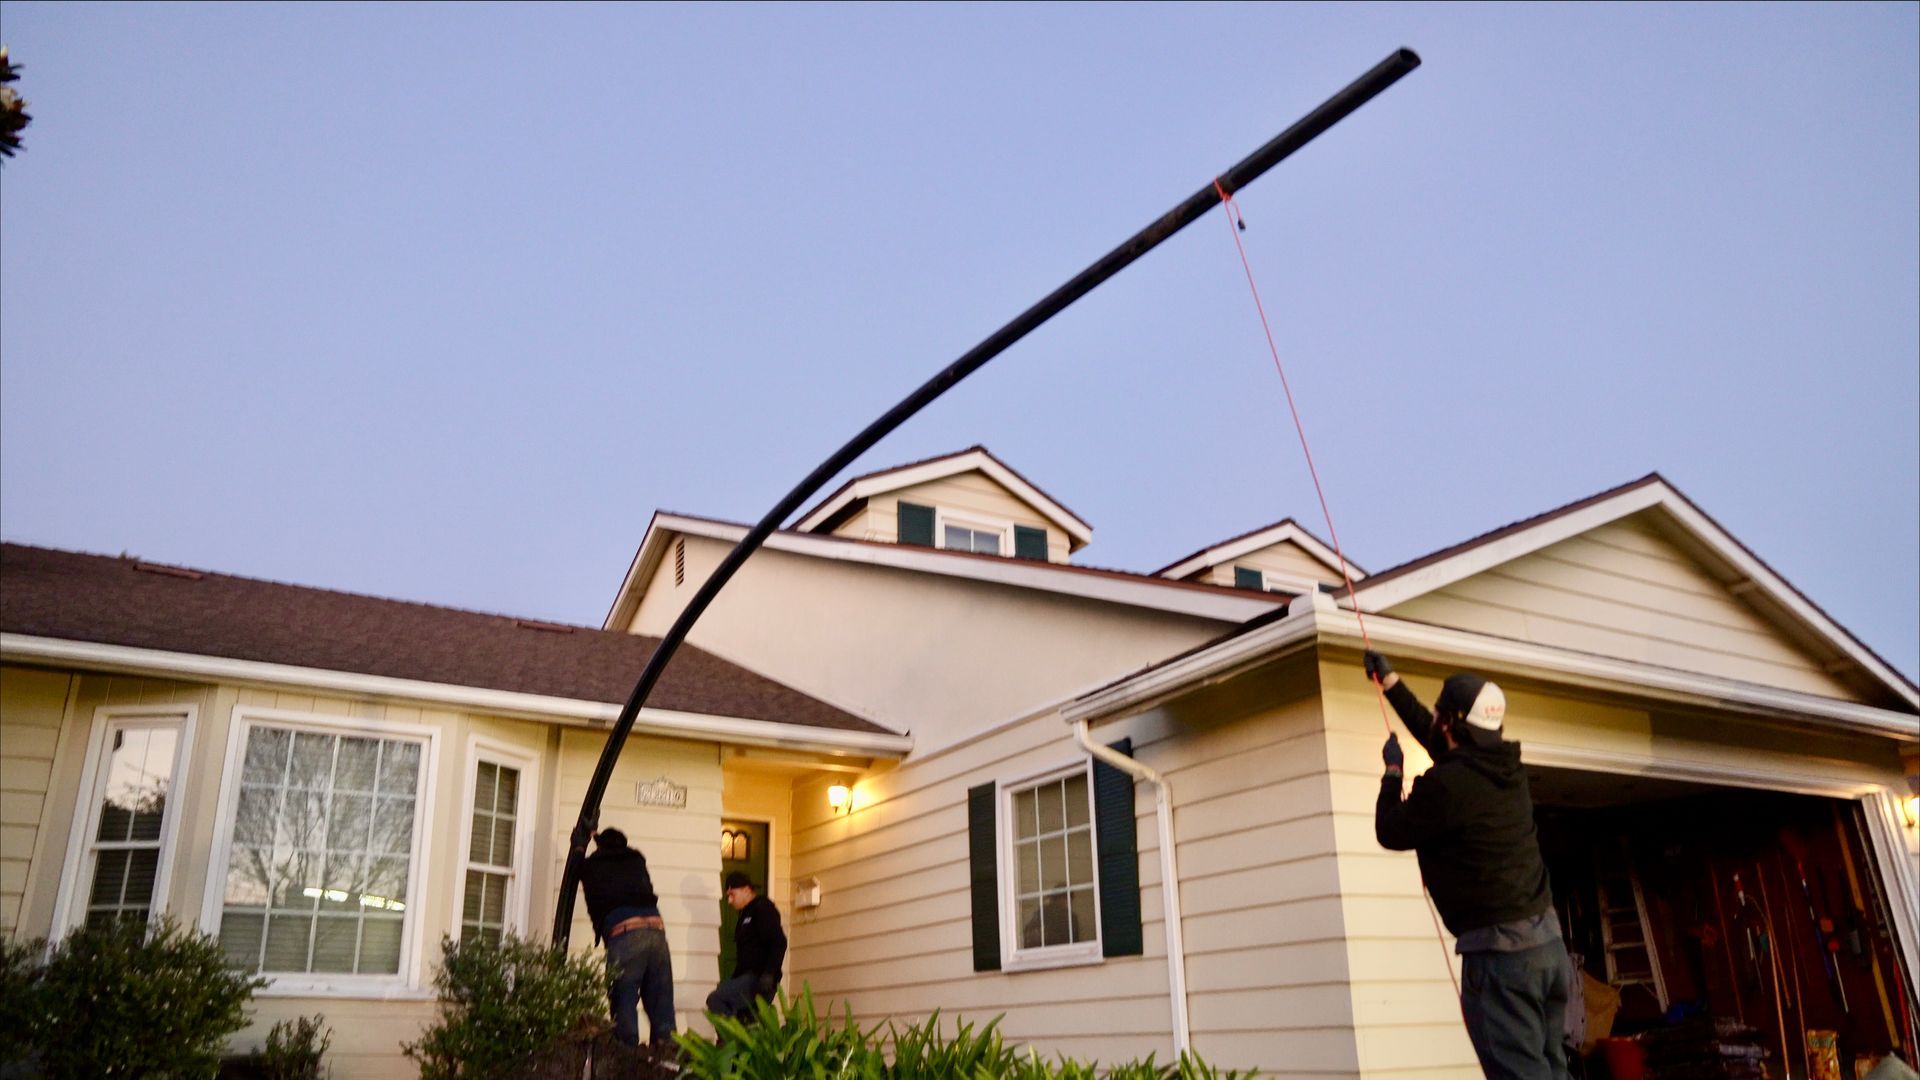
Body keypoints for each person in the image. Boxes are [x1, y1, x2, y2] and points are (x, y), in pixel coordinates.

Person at [1367, 649, 1572, 1080]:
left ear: (1453, 722)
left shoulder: (1448, 785)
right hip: (1549, 951)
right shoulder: (1506, 768)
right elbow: (1439, 739)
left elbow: (1391, 830)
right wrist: (1391, 685)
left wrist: (1392, 772)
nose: (1436, 718)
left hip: (1503, 962)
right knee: (1553, 1071)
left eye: (1441, 712)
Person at [577, 828, 676, 1048]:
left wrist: (581, 844)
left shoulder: (594, 865)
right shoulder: (636, 859)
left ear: (600, 845)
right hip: (656, 932)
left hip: (626, 934)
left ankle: (627, 1059)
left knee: (623, 1000)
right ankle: (667, 1059)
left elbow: (577, 866)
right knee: (662, 1005)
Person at [706, 871, 786, 1019]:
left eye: (732, 894)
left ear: (746, 890)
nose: (729, 900)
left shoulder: (763, 908)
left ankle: (731, 1037)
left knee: (716, 999)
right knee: (746, 1019)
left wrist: (769, 973)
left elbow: (779, 942)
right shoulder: (745, 914)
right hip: (745, 976)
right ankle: (739, 1038)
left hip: (759, 978)